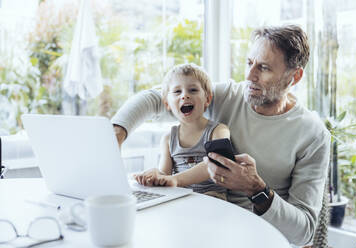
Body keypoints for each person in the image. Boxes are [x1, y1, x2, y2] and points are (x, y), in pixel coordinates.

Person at [112, 25, 330, 246]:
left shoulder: (312, 134)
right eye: (249, 63)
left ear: (294, 77)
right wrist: (117, 132)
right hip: (201, 226)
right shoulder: (227, 96)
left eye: (263, 68)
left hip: (257, 239)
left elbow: (304, 232)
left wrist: (256, 189)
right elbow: (155, 97)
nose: (249, 75)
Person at [133, 63, 230, 201]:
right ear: (167, 104)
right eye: (177, 92)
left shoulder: (218, 131)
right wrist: (154, 176)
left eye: (193, 90)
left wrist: (175, 180)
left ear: (207, 99)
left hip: (212, 196)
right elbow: (164, 174)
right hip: (181, 197)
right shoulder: (168, 139)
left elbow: (215, 163)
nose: (185, 96)